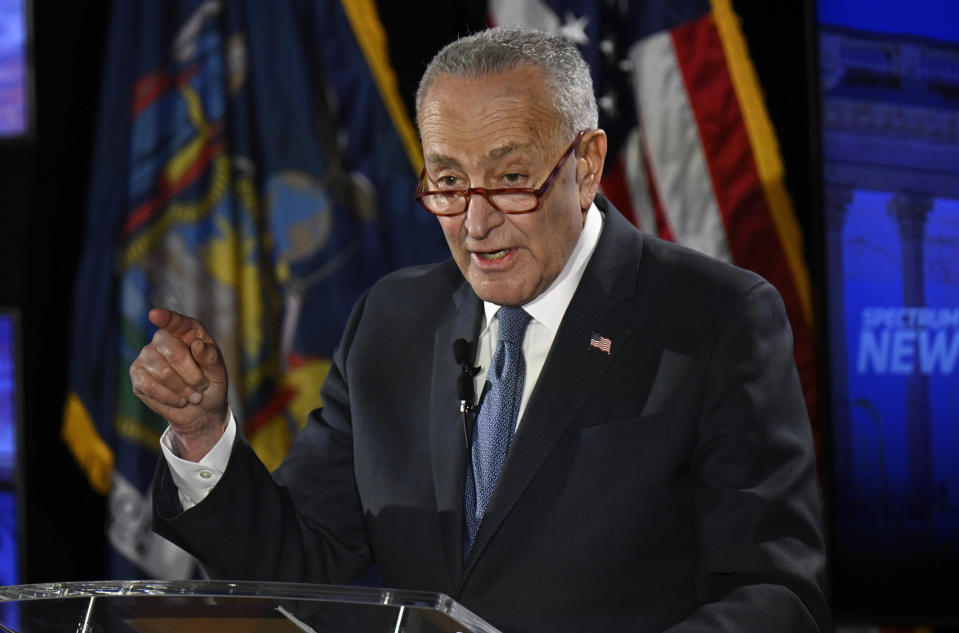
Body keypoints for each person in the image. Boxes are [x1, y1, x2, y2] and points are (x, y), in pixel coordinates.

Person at [131, 26, 829, 633]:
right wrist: (202, 435)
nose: (474, 222)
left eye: (511, 178)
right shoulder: (390, 323)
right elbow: (297, 555)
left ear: (585, 166)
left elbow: (774, 595)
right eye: (447, 182)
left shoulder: (712, 318)